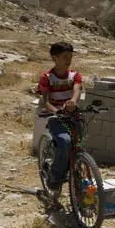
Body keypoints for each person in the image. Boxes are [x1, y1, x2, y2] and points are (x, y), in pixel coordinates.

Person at [36, 41, 83, 190]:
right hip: (55, 117)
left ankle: (75, 169)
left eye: (70, 56)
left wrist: (73, 102)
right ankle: (55, 176)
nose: (68, 60)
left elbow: (76, 90)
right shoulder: (47, 78)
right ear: (54, 58)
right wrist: (57, 111)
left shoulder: (75, 75)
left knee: (79, 143)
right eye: (65, 57)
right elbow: (46, 102)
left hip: (72, 115)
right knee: (65, 140)